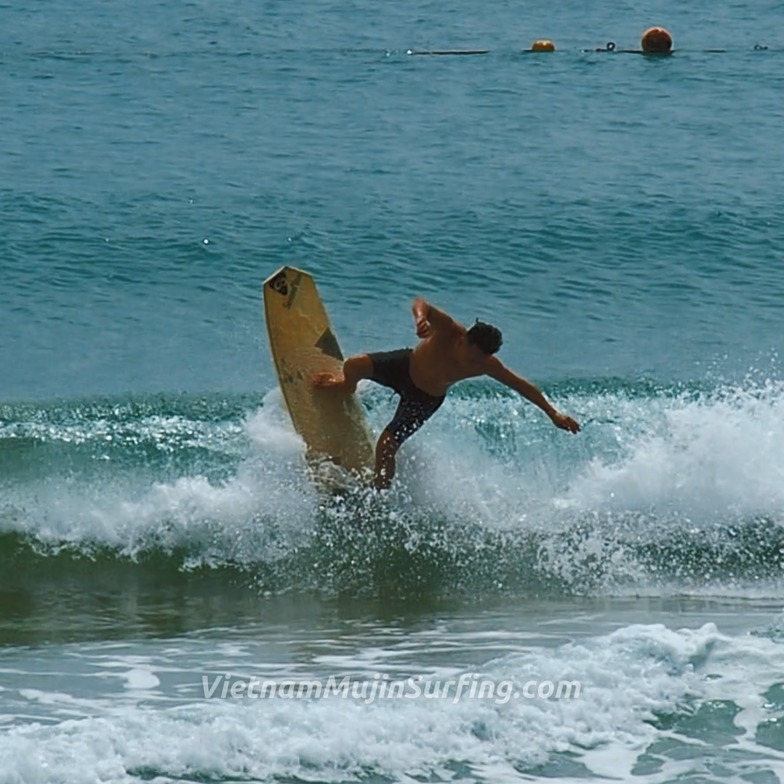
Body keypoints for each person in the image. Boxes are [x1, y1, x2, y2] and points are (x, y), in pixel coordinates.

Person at [313, 297, 580, 489]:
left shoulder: (486, 364)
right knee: (354, 364)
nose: (472, 364)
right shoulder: (449, 330)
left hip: (425, 399)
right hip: (405, 367)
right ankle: (346, 386)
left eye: (480, 360)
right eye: (472, 356)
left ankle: (378, 497)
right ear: (463, 340)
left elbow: (522, 385)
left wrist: (552, 413)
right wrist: (420, 321)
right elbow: (421, 303)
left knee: (386, 445)